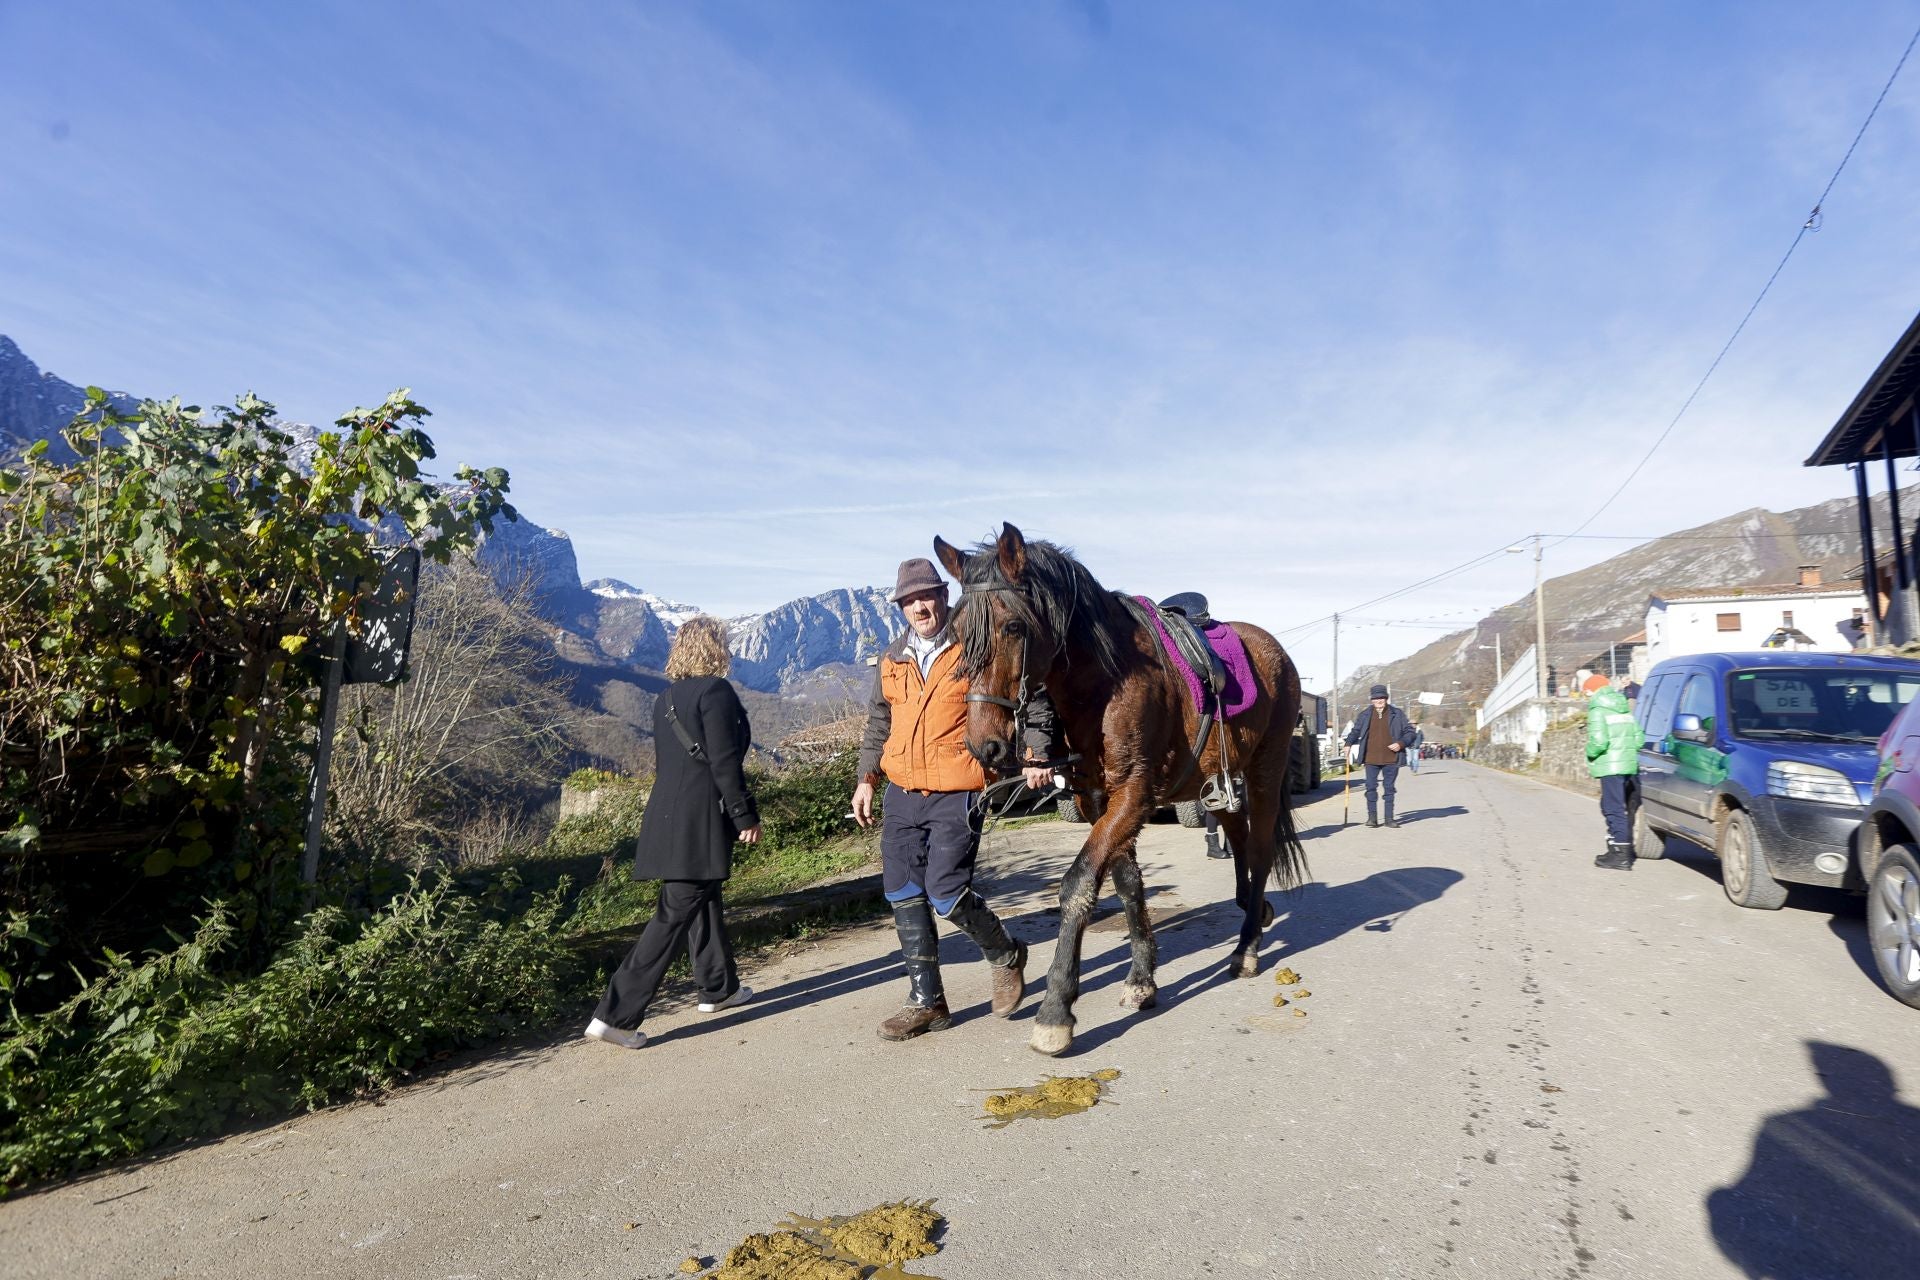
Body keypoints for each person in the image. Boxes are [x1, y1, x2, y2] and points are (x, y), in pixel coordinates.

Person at [852, 557, 1056, 1041]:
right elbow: (880, 723)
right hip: (902, 790)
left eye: (927, 596)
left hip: (958, 788)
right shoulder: (892, 658)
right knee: (902, 891)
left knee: (945, 892)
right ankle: (928, 1002)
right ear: (901, 607)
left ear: (945, 598)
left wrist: (1036, 751)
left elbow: (1032, 696)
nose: (919, 606)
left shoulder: (976, 647)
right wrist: (866, 777)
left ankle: (1005, 954)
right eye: (909, 600)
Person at [584, 617, 761, 1050]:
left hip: (666, 818)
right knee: (672, 915)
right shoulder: (715, 692)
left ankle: (718, 987)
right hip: (699, 820)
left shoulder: (664, 699)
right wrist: (744, 815)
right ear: (716, 647)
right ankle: (615, 1015)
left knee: (701, 899)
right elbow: (722, 762)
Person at [1583, 673, 1642, 871]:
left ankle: (1621, 855)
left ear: (1593, 691)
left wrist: (1589, 752)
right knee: (1615, 806)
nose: (1587, 697)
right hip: (1627, 765)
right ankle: (1615, 848)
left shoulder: (1598, 710)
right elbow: (1639, 739)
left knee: (1613, 808)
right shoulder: (1623, 706)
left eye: (1587, 693)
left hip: (1610, 765)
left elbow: (1599, 742)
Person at [1343, 684, 1414, 828]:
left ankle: (1389, 819)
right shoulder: (1364, 715)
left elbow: (1410, 733)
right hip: (1371, 758)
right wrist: (1348, 743)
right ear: (1371, 700)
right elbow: (1355, 731)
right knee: (1370, 787)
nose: (1379, 701)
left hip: (1391, 758)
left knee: (1389, 788)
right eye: (1376, 698)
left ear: (1386, 698)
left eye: (1381, 697)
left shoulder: (1397, 713)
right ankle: (1372, 818)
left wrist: (1401, 743)